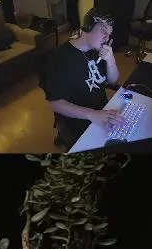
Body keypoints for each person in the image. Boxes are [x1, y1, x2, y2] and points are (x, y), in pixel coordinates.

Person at [43, 9, 123, 148]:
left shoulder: (98, 51)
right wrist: (92, 114)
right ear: (88, 26)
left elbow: (113, 81)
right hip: (76, 119)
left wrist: (110, 59)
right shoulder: (60, 58)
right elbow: (55, 103)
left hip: (101, 111)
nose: (106, 38)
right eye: (103, 30)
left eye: (109, 34)